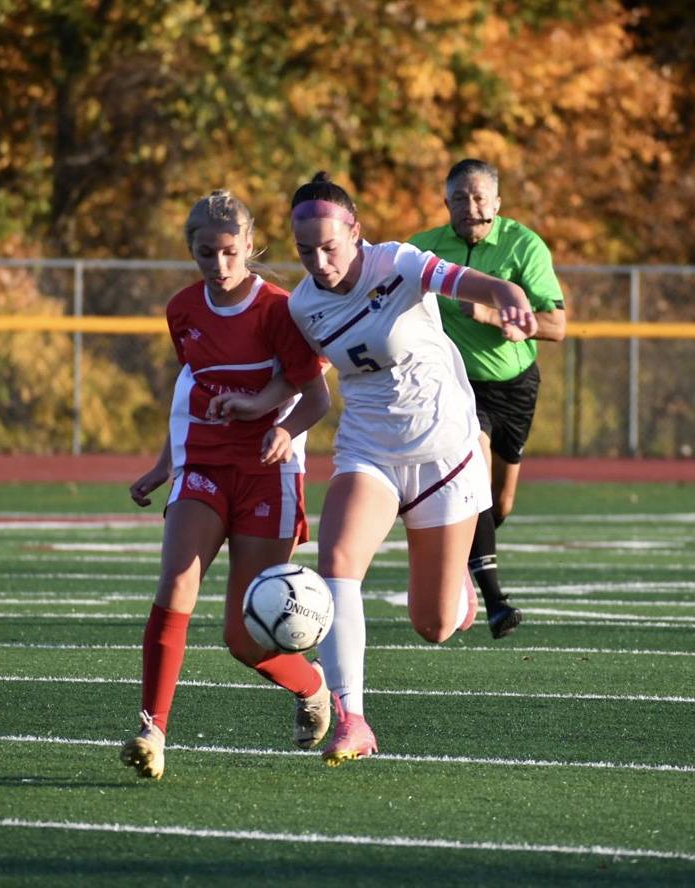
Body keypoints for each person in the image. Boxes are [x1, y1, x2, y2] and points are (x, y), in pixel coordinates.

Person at [212, 172, 537, 766]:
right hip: (369, 450)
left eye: (329, 246)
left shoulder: (399, 262)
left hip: (445, 450)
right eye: (304, 249)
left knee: (435, 625)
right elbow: (304, 378)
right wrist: (270, 411)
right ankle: (352, 719)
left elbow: (461, 279)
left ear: (355, 233)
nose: (318, 260)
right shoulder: (305, 305)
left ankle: (460, 594)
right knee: (337, 567)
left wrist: (506, 294)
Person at [120, 189, 331, 781]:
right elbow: (192, 387)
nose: (219, 266)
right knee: (175, 586)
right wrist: (165, 463)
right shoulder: (182, 309)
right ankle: (152, 730)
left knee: (244, 639)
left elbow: (314, 396)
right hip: (203, 466)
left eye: (230, 253)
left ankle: (312, 686)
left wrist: (285, 431)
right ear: (191, 252)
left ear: (249, 247)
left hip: (269, 472)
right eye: (206, 254)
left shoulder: (278, 310)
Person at [409, 159, 566, 639]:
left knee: (498, 503)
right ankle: (495, 601)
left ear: (497, 203)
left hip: (514, 385)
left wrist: (490, 315)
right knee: (471, 470)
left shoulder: (523, 246)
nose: (471, 207)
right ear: (446, 202)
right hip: (455, 387)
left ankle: (463, 551)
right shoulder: (424, 250)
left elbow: (557, 327)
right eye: (460, 198)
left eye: (480, 198)